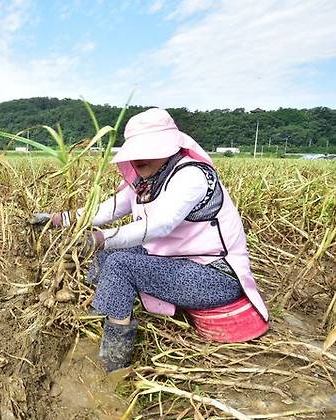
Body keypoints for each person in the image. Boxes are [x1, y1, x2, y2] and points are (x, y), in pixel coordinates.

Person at [32, 108, 268, 372]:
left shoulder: (192, 176)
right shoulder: (146, 182)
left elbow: (159, 225)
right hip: (178, 261)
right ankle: (101, 311)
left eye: (149, 149)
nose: (139, 158)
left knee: (120, 263)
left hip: (215, 276)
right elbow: (104, 211)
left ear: (170, 147)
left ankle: (113, 363)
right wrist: (56, 219)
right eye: (136, 151)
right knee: (107, 257)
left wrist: (101, 238)